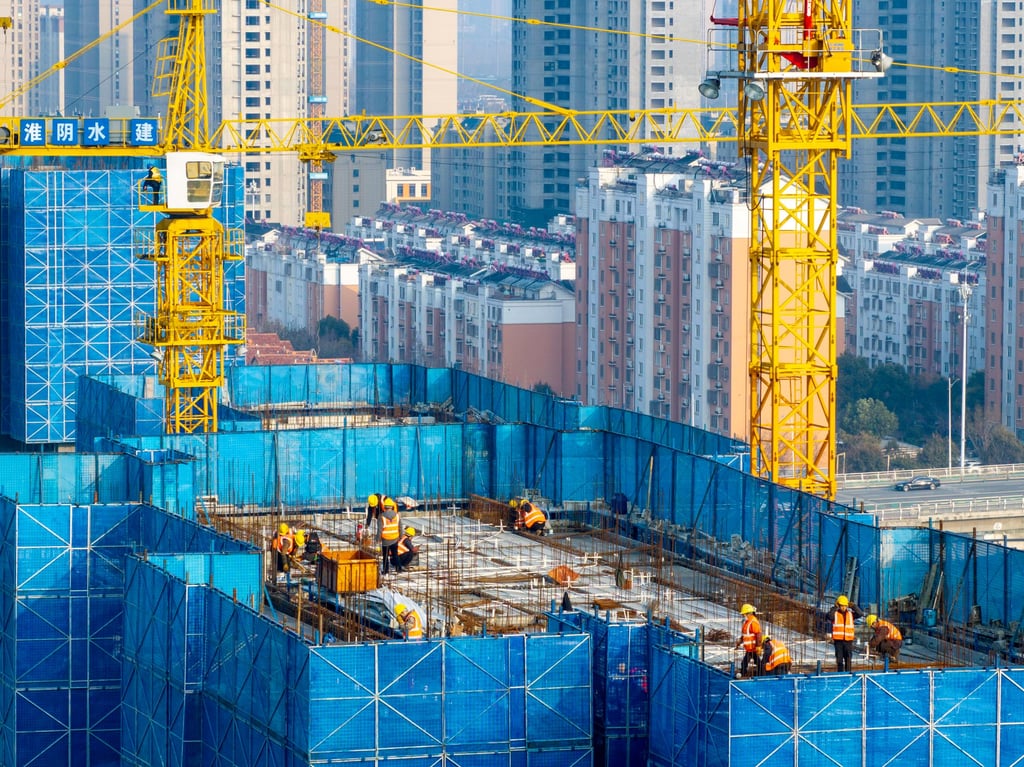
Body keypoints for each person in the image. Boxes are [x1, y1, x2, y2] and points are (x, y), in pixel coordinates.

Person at [831, 594, 861, 672]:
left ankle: (848, 673)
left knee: (848, 659)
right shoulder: (835, 614)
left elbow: (860, 613)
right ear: (838, 605)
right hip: (838, 641)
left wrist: (853, 606)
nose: (843, 607)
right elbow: (829, 616)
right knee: (839, 660)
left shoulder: (851, 614)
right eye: (841, 606)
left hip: (848, 641)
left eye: (845, 606)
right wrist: (835, 607)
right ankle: (840, 674)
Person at [735, 603, 763, 677]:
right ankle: (761, 673)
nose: (743, 616)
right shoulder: (747, 622)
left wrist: (758, 646)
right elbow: (746, 634)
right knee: (755, 662)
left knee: (747, 662)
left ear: (749, 613)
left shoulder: (753, 622)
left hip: (753, 648)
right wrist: (740, 640)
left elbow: (758, 634)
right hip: (749, 648)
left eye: (744, 614)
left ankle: (743, 673)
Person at [379, 495, 402, 574]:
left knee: (385, 556)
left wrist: (377, 539)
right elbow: (400, 526)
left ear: (384, 507)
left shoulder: (381, 516)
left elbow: (379, 529)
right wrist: (400, 536)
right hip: (395, 538)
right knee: (395, 554)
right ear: (392, 506)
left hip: (385, 540)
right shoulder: (397, 515)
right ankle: (399, 568)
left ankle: (385, 571)